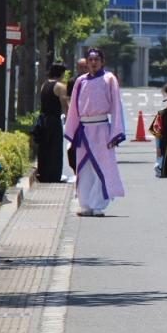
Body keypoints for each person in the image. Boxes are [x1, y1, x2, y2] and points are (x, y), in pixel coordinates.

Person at [64, 48, 126, 217]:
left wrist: (116, 132)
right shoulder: (80, 81)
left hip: (101, 129)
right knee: (83, 168)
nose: (93, 62)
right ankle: (85, 205)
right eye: (90, 59)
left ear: (102, 61)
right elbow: (74, 109)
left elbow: (116, 106)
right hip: (83, 129)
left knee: (101, 168)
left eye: (96, 59)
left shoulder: (109, 79)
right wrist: (72, 130)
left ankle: (98, 205)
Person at [36, 62, 69, 183]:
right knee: (55, 149)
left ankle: (43, 174)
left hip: (43, 120)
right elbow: (65, 107)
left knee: (44, 148)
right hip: (54, 120)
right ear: (61, 73)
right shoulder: (60, 86)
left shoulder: (44, 85)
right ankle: (55, 176)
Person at [65, 56, 87, 176]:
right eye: (81, 67)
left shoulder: (92, 80)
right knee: (73, 144)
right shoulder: (73, 81)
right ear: (77, 68)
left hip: (88, 118)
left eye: (85, 67)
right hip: (76, 117)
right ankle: (75, 168)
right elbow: (68, 99)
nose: (84, 69)